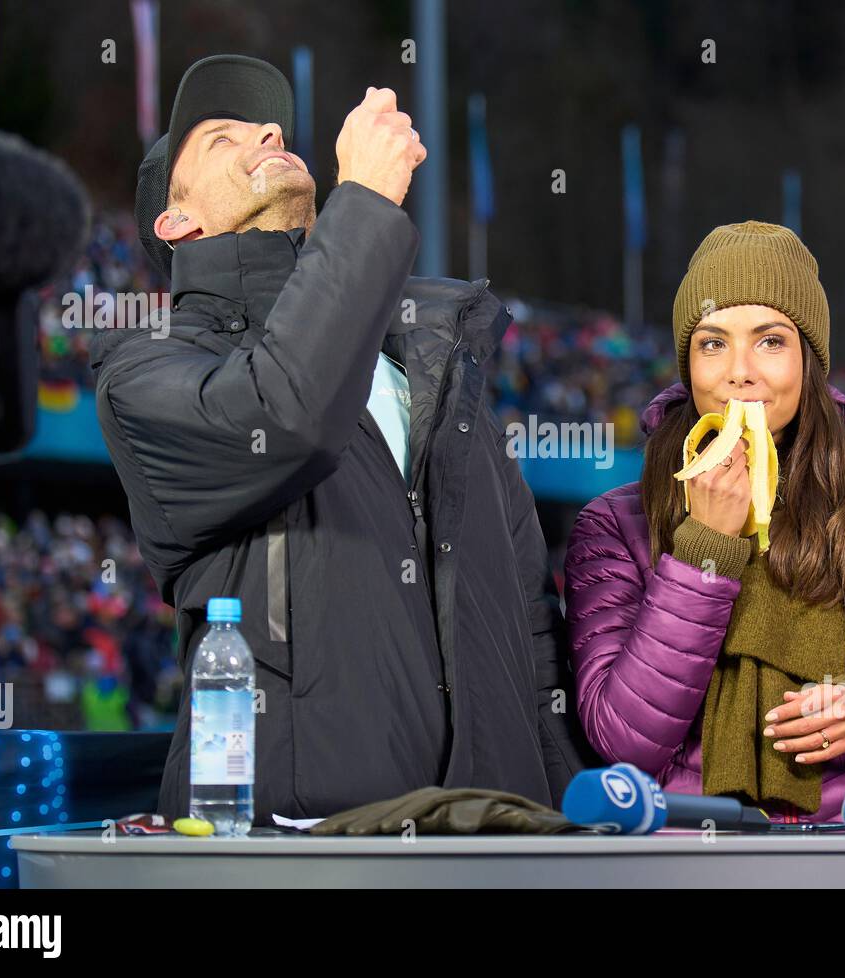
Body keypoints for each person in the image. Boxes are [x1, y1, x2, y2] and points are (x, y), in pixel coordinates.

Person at [91, 55, 593, 822]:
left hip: (487, 834)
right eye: (222, 139)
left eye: (270, 127)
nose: (266, 131)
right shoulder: (143, 371)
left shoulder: (436, 376)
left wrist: (569, 824)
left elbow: (531, 628)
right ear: (178, 219)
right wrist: (363, 203)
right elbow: (286, 416)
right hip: (294, 844)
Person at [563, 221, 845, 832]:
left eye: (769, 342)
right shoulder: (614, 524)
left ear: (810, 361)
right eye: (712, 343)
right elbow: (623, 741)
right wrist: (705, 549)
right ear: (686, 364)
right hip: (695, 868)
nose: (739, 372)